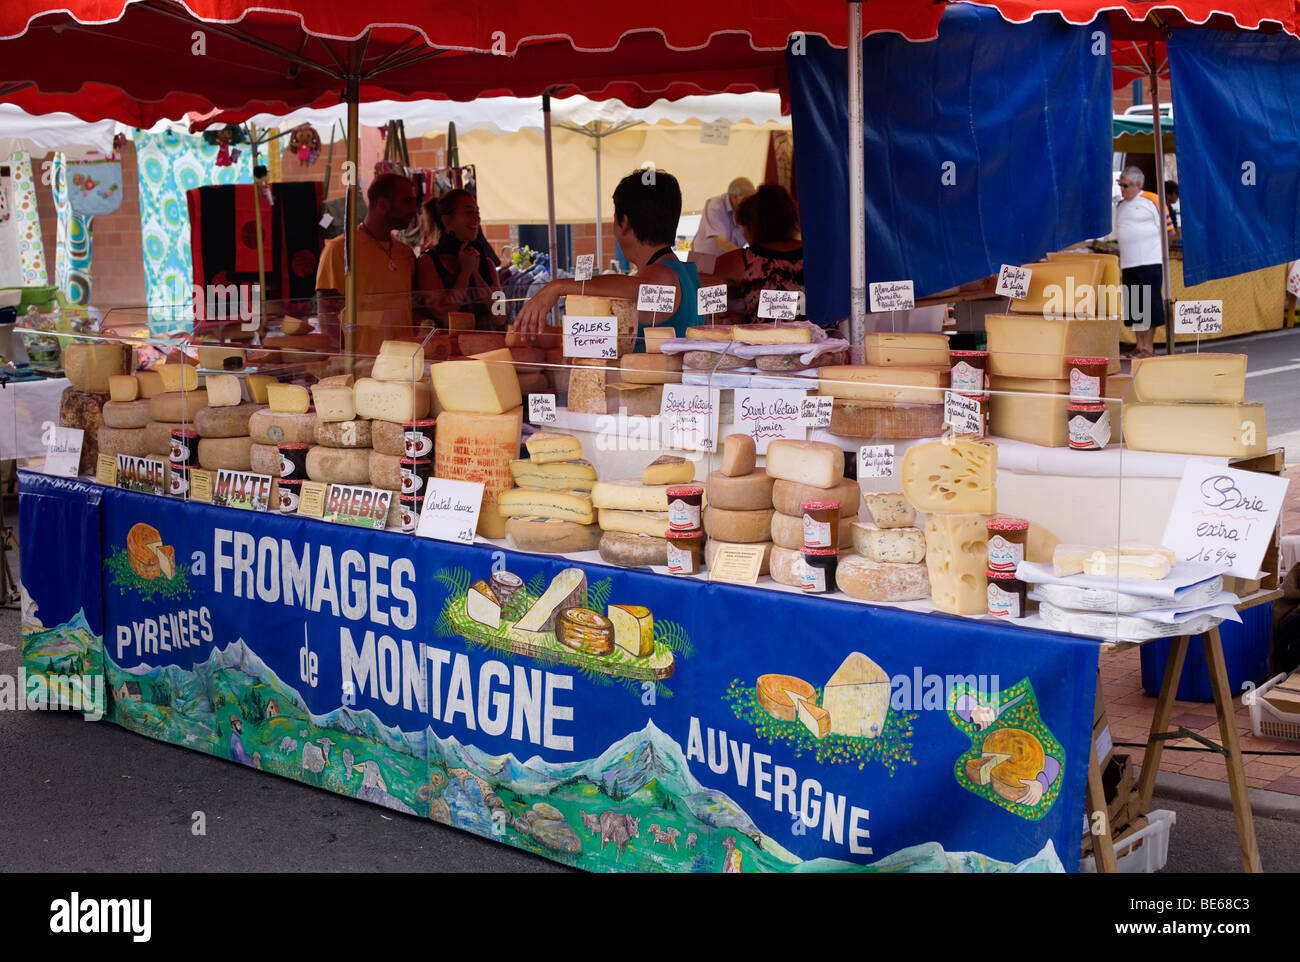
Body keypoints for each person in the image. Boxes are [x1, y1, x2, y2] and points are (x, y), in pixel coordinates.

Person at [515, 169, 705, 339]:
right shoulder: (684, 272)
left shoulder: (663, 276)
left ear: (624, 222)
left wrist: (557, 287)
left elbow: (640, 288)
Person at [316, 172, 418, 358]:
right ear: (382, 204)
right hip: (362, 364)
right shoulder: (340, 249)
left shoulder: (406, 253)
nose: (414, 208)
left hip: (404, 363)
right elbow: (327, 312)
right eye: (407, 201)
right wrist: (346, 359)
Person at [711, 184, 804, 323]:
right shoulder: (815, 255)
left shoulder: (739, 261)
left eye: (743, 226)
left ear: (751, 225)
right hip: (818, 341)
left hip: (760, 343)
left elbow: (709, 300)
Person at [415, 189, 503, 329]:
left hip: (487, 346)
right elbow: (445, 316)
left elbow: (501, 316)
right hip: (447, 347)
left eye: (477, 212)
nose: (477, 218)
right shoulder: (428, 262)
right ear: (447, 220)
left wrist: (476, 274)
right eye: (469, 212)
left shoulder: (487, 263)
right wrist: (465, 273)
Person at [1115, 166, 1174, 358]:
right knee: (1134, 307)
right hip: (1128, 263)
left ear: (1138, 184)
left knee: (1149, 305)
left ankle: (1148, 347)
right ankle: (1139, 345)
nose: (1122, 189)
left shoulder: (1153, 200)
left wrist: (1160, 253)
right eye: (1120, 185)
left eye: (1125, 185)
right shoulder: (1121, 205)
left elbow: (1170, 231)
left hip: (1149, 261)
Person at [688, 177, 756, 272]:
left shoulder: (750, 210)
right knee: (700, 286)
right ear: (734, 197)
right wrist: (748, 259)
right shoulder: (715, 205)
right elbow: (722, 243)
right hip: (703, 259)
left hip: (730, 259)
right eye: (748, 199)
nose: (752, 202)